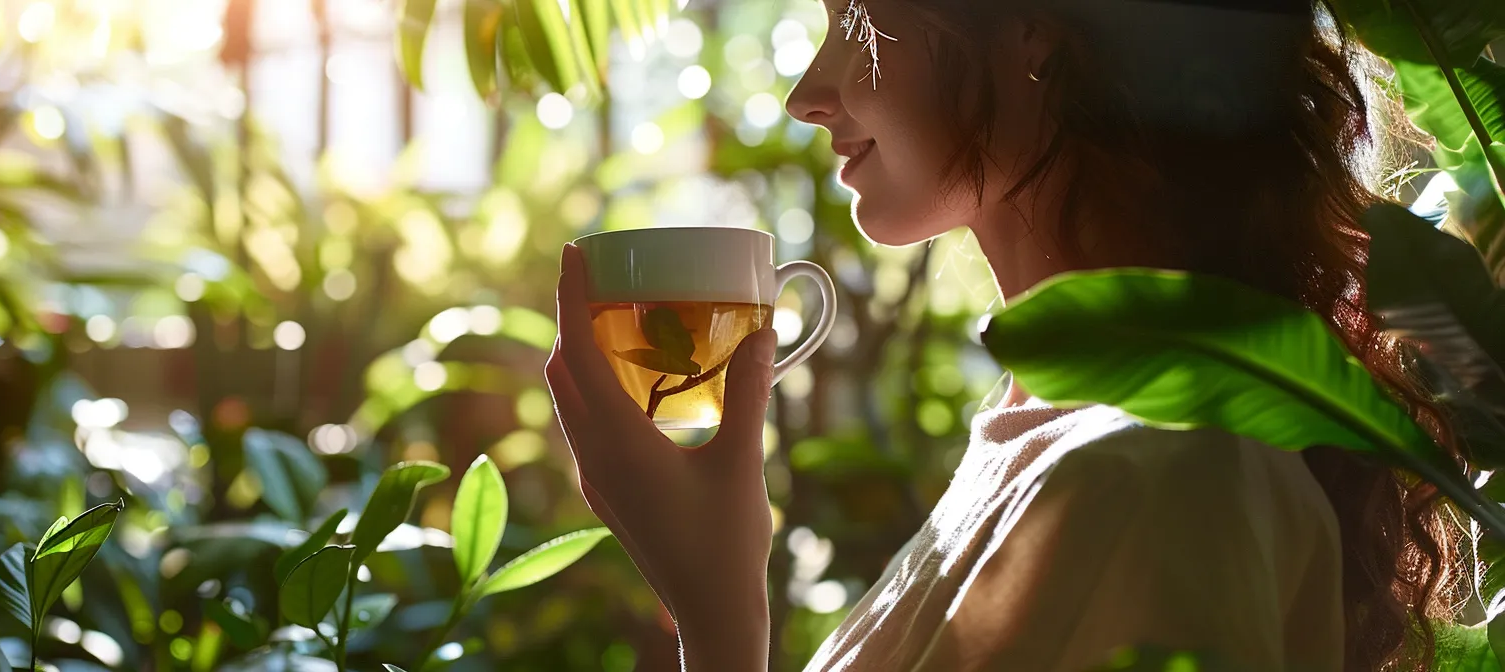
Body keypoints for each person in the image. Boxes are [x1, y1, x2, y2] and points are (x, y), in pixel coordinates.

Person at [544, 0, 1467, 669]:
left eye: (853, 21)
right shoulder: (1061, 429)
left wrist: (718, 617)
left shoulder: (1159, 476)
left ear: (1033, 34)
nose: (805, 93)